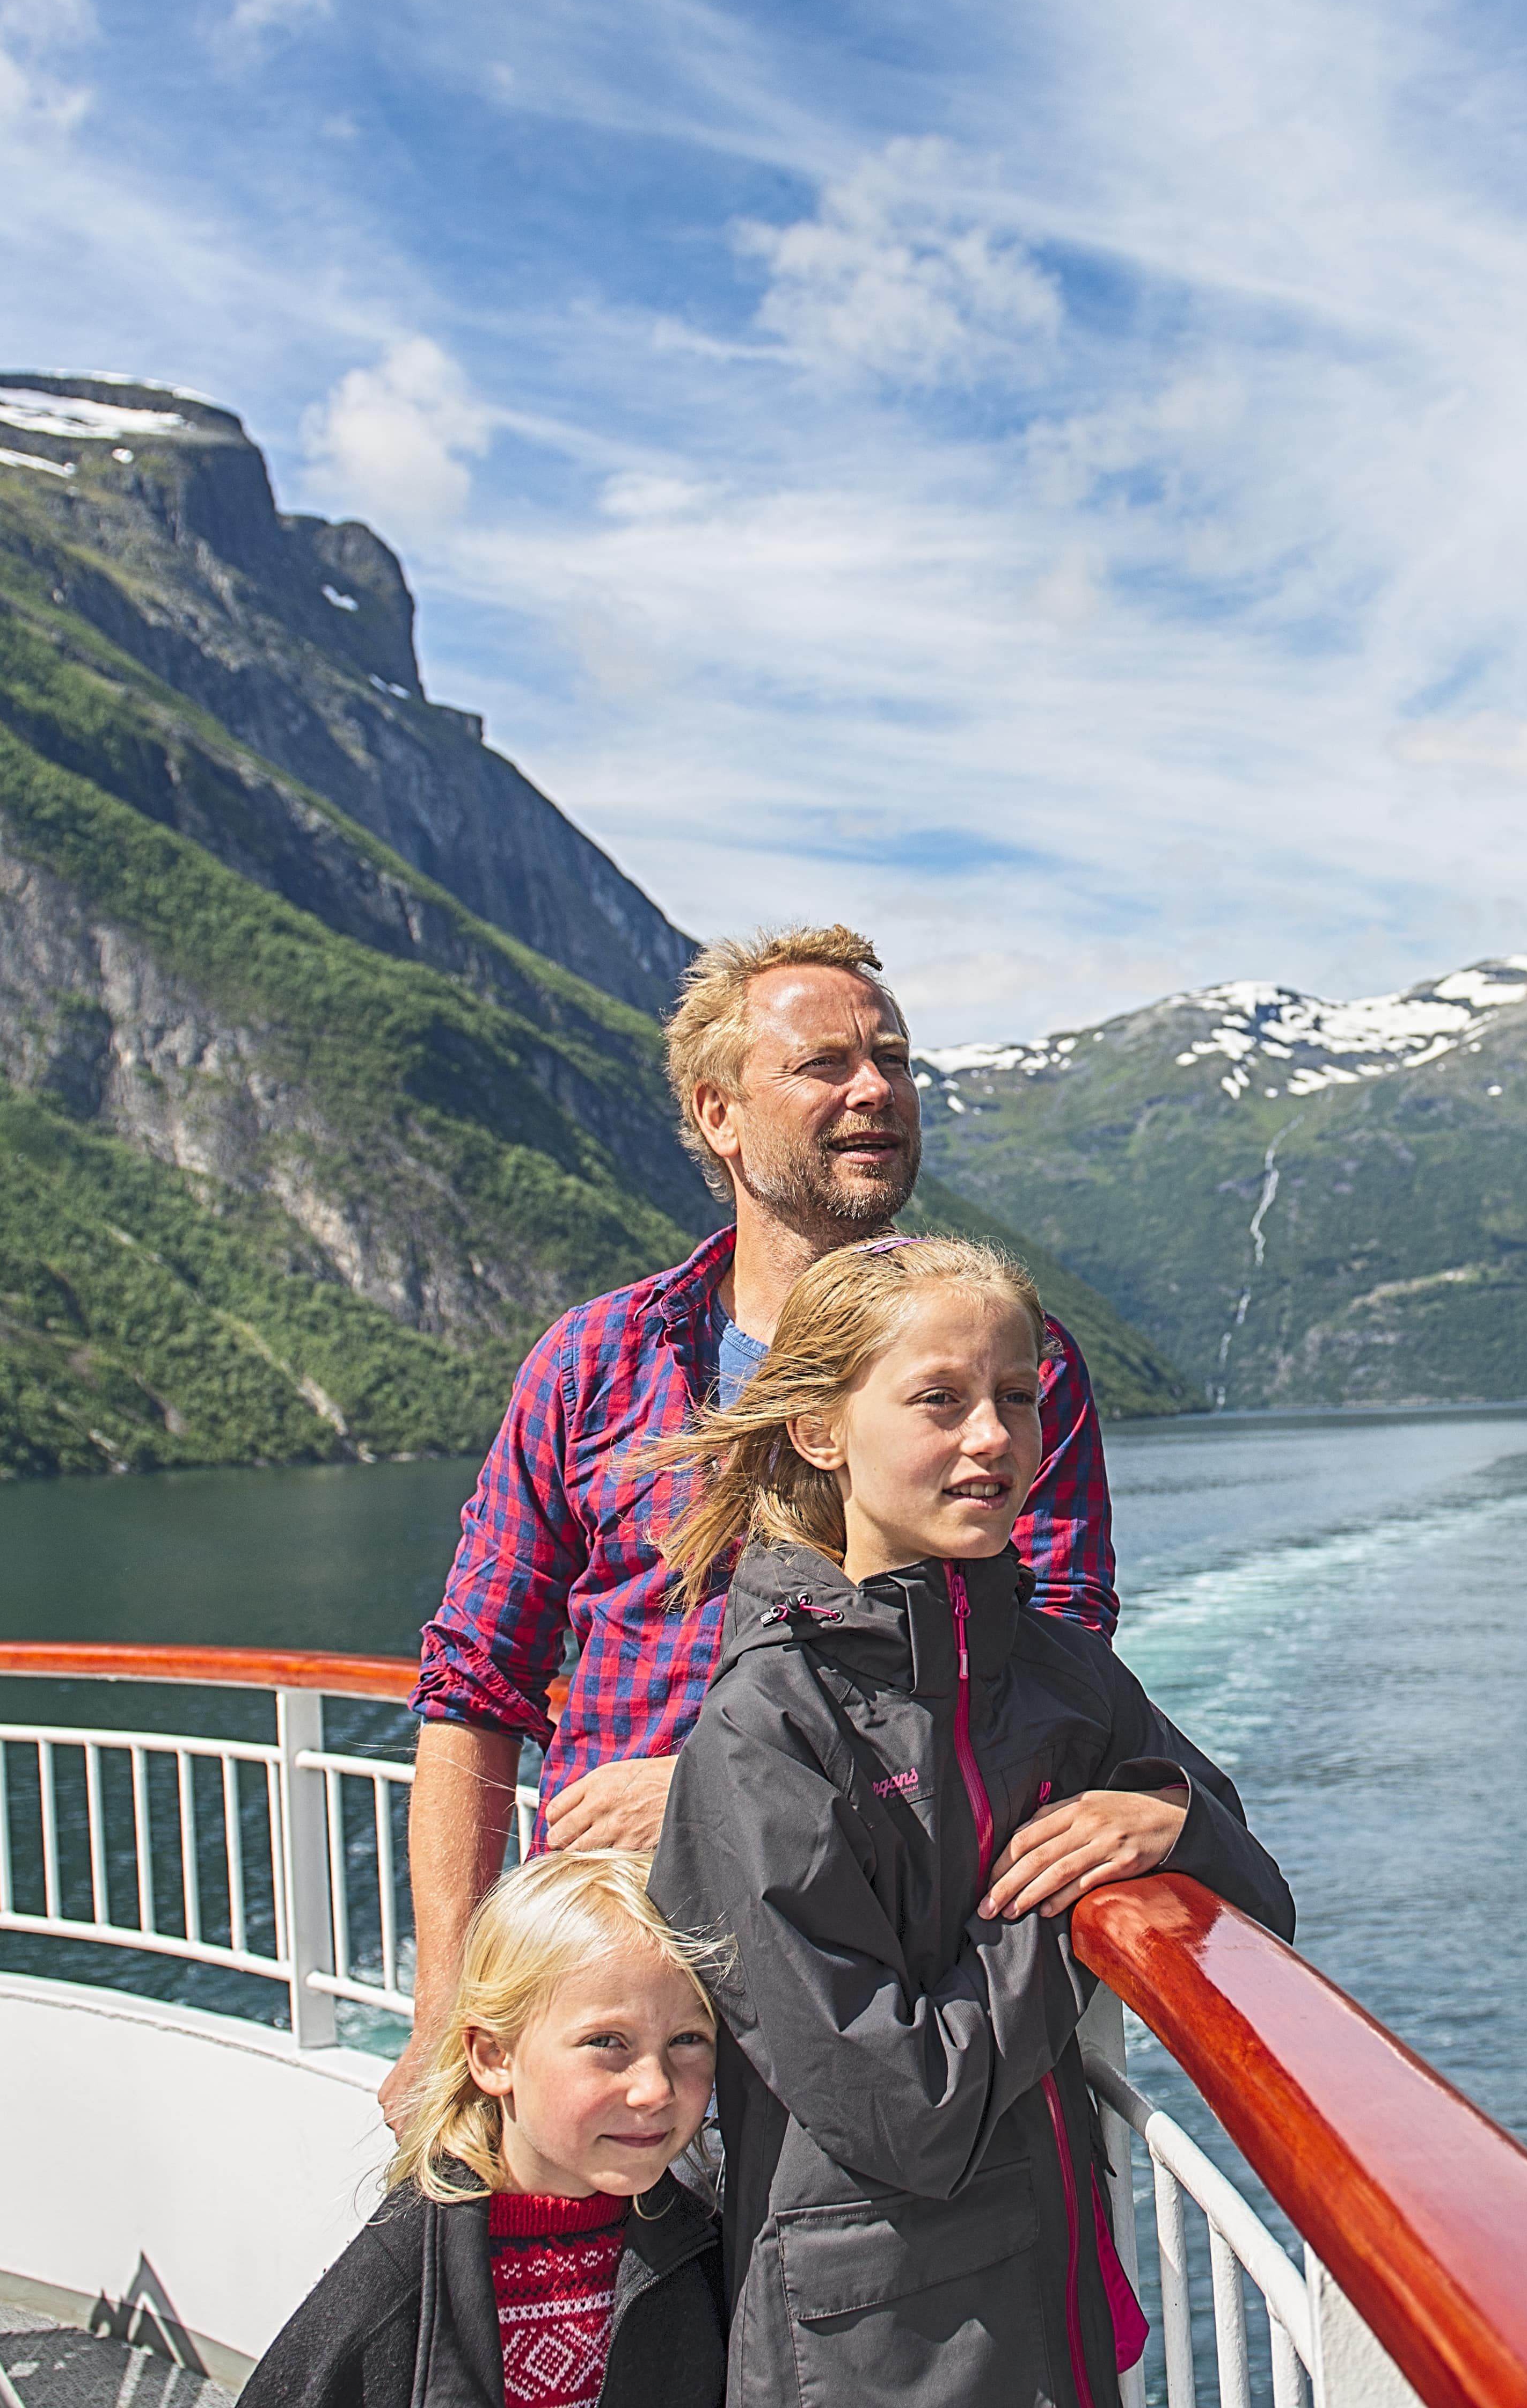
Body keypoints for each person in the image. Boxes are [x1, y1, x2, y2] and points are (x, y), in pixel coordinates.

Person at [392, 925, 1117, 2133]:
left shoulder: (1012, 1368)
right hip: (613, 1996)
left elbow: (1056, 1683)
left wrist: (712, 1792)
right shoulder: (595, 1362)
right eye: (826, 1063)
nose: (876, 1088)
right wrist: (440, 2014)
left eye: (893, 1058)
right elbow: (474, 1685)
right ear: (718, 1113)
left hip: (875, 2005)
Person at [642, 1236, 1295, 2408]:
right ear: (820, 1429)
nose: (992, 1436)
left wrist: (1166, 1817)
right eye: (939, 1400)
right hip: (876, 2344)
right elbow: (904, 2104)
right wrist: (1068, 1901)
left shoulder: (1059, 1675)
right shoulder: (767, 1731)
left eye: (1016, 1397)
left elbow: (1261, 1900)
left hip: (1053, 2299)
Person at [242, 1851, 728, 2408]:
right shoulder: (396, 2282)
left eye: (688, 2039)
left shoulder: (703, 2253)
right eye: (607, 2042)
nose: (656, 2089)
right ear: (495, 2057)